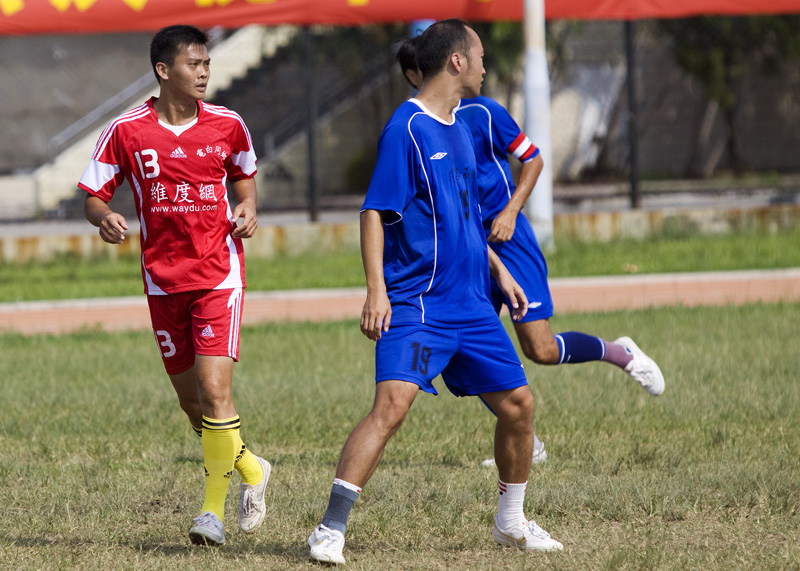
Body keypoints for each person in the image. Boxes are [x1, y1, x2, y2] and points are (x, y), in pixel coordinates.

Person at [307, 20, 563, 565]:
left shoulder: (460, 127)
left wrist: (499, 270)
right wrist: (376, 291)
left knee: (519, 405)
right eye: (480, 56)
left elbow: (465, 217)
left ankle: (511, 521)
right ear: (456, 62)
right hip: (420, 304)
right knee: (390, 408)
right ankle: (329, 530)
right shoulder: (407, 128)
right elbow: (374, 212)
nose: (485, 66)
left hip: (472, 305)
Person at [397, 36, 665, 466]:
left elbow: (533, 159)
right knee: (463, 352)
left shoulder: (484, 113)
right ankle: (529, 442)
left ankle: (620, 352)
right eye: (414, 73)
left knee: (539, 349)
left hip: (510, 242)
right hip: (468, 250)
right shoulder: (414, 126)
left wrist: (509, 212)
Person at [79, 24, 270, 547]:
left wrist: (248, 206)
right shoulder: (126, 130)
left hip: (218, 274)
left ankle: (211, 513)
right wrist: (104, 217)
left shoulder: (228, 123)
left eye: (207, 63)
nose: (204, 72)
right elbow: (93, 194)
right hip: (163, 281)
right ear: (164, 71)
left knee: (215, 392)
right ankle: (252, 468)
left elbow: (244, 176)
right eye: (194, 64)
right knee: (193, 406)